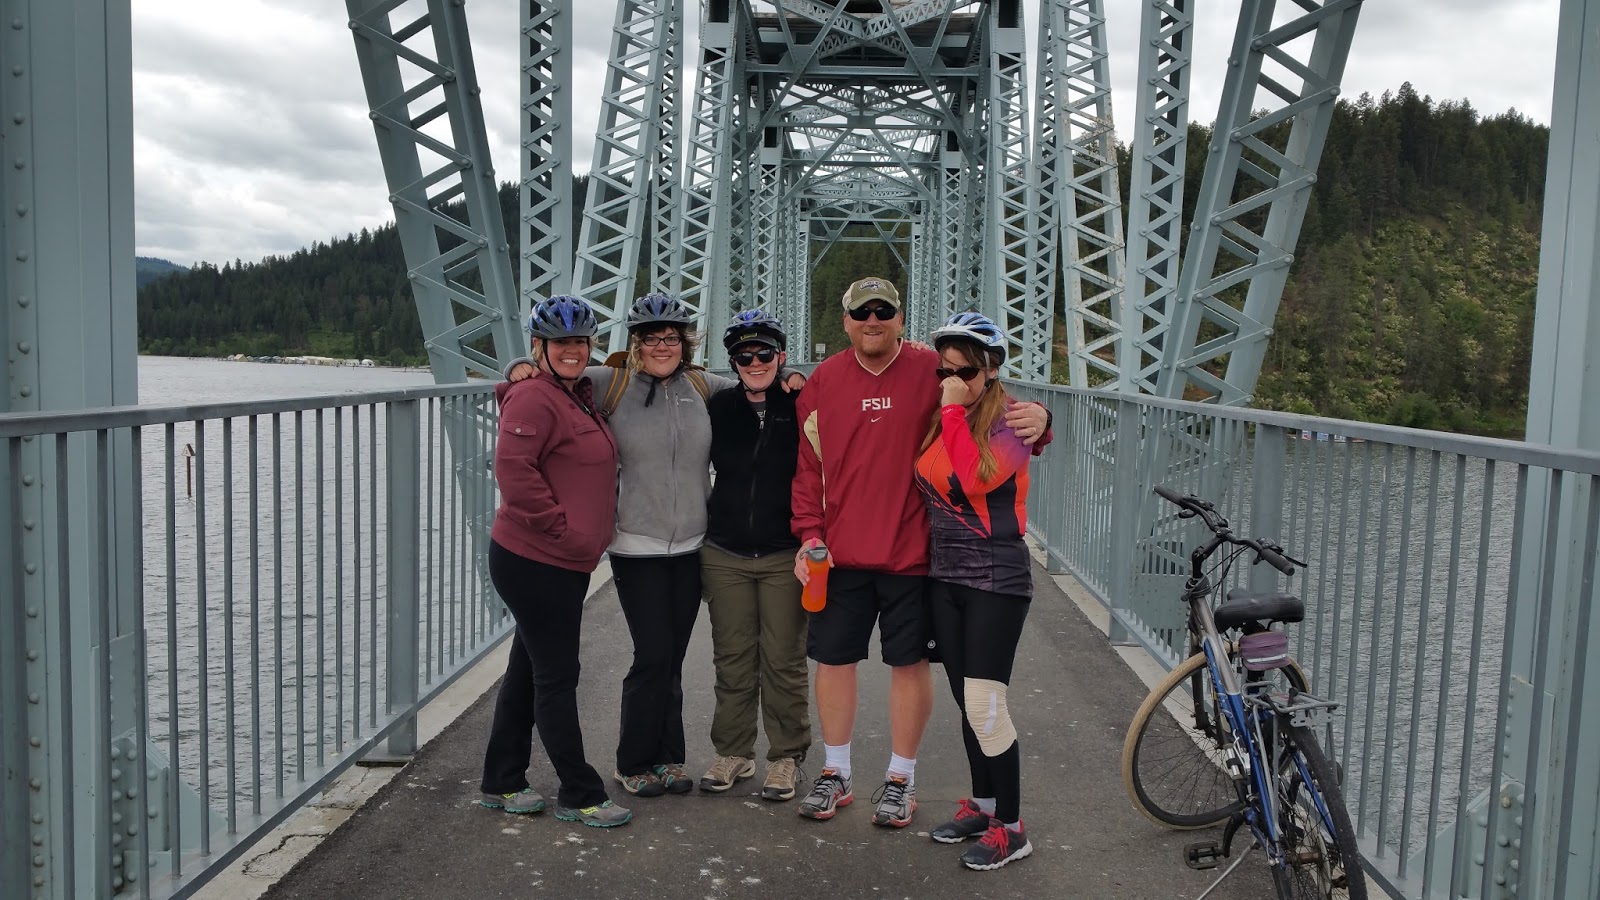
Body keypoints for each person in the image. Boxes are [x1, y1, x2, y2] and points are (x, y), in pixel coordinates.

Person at [505, 292, 804, 800]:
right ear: (635, 344)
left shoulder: (700, 385)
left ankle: (668, 758)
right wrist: (518, 365)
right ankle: (634, 761)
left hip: (692, 545)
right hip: (635, 545)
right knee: (652, 654)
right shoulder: (611, 383)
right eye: (650, 338)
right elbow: (554, 380)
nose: (662, 346)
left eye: (671, 337)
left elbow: (757, 380)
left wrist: (792, 373)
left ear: (685, 343)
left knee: (673, 656)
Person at [790, 276, 1050, 828]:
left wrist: (1041, 423)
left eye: (883, 311)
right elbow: (808, 469)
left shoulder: (936, 369)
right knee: (833, 661)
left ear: (901, 319)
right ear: (846, 321)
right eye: (862, 312)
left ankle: (901, 778)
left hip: (915, 555)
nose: (873, 320)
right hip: (838, 554)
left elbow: (990, 407)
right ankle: (836, 772)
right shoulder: (823, 380)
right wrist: (810, 533)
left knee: (909, 664)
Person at [480, 294, 631, 828]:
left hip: (562, 561)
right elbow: (514, 471)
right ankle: (579, 791)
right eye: (561, 341)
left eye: (581, 341)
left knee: (529, 671)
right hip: (537, 560)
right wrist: (561, 531)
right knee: (558, 675)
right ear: (539, 346)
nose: (573, 350)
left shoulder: (576, 395)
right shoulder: (534, 398)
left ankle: (501, 780)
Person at [915, 312, 1035, 870]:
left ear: (990, 369)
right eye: (944, 370)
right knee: (968, 702)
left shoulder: (1012, 422)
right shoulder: (947, 416)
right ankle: (984, 806)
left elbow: (973, 479)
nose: (951, 380)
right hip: (946, 578)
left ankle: (1012, 828)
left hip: (995, 578)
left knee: (987, 704)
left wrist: (951, 410)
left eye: (963, 370)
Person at [699, 310, 811, 801]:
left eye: (764, 352)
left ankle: (786, 757)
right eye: (744, 355)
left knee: (784, 659)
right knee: (733, 659)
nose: (755, 361)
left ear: (780, 355)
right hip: (725, 551)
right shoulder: (718, 406)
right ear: (733, 363)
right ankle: (733, 752)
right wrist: (518, 372)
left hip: (785, 552)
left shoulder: (801, 402)